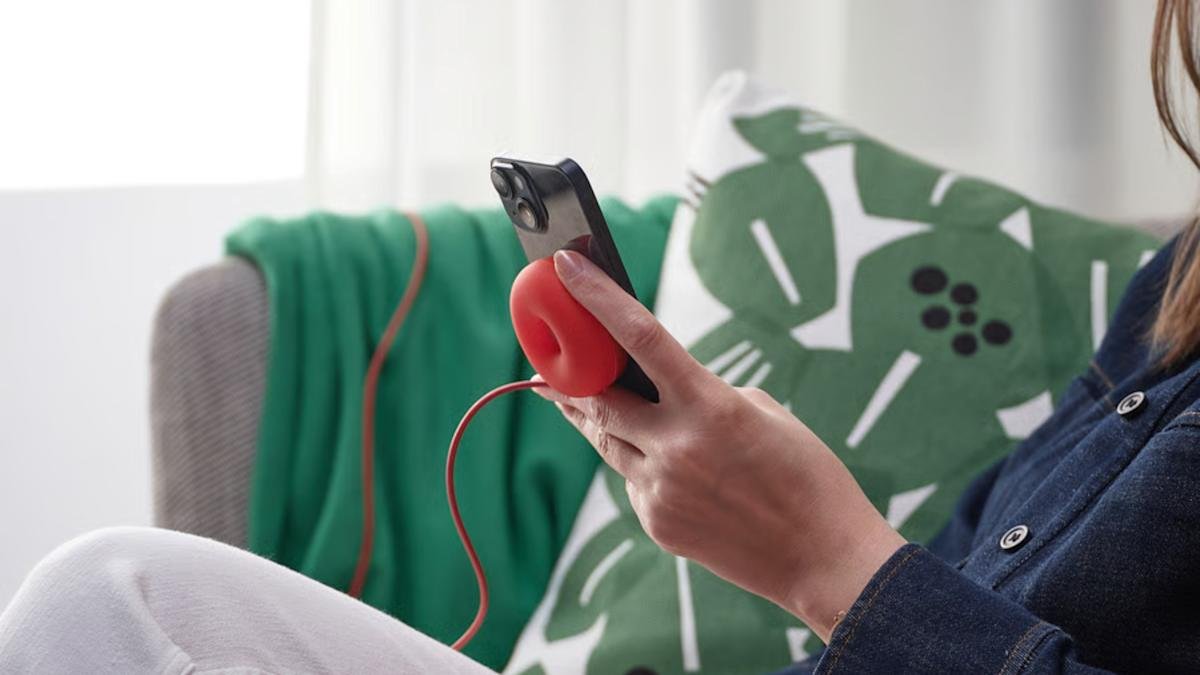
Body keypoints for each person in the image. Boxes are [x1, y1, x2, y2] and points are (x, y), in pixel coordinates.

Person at [4, 1, 1200, 672]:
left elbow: (871, 588)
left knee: (102, 601)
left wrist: (825, 562)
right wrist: (795, 536)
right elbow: (972, 575)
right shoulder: (1179, 281)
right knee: (112, 594)